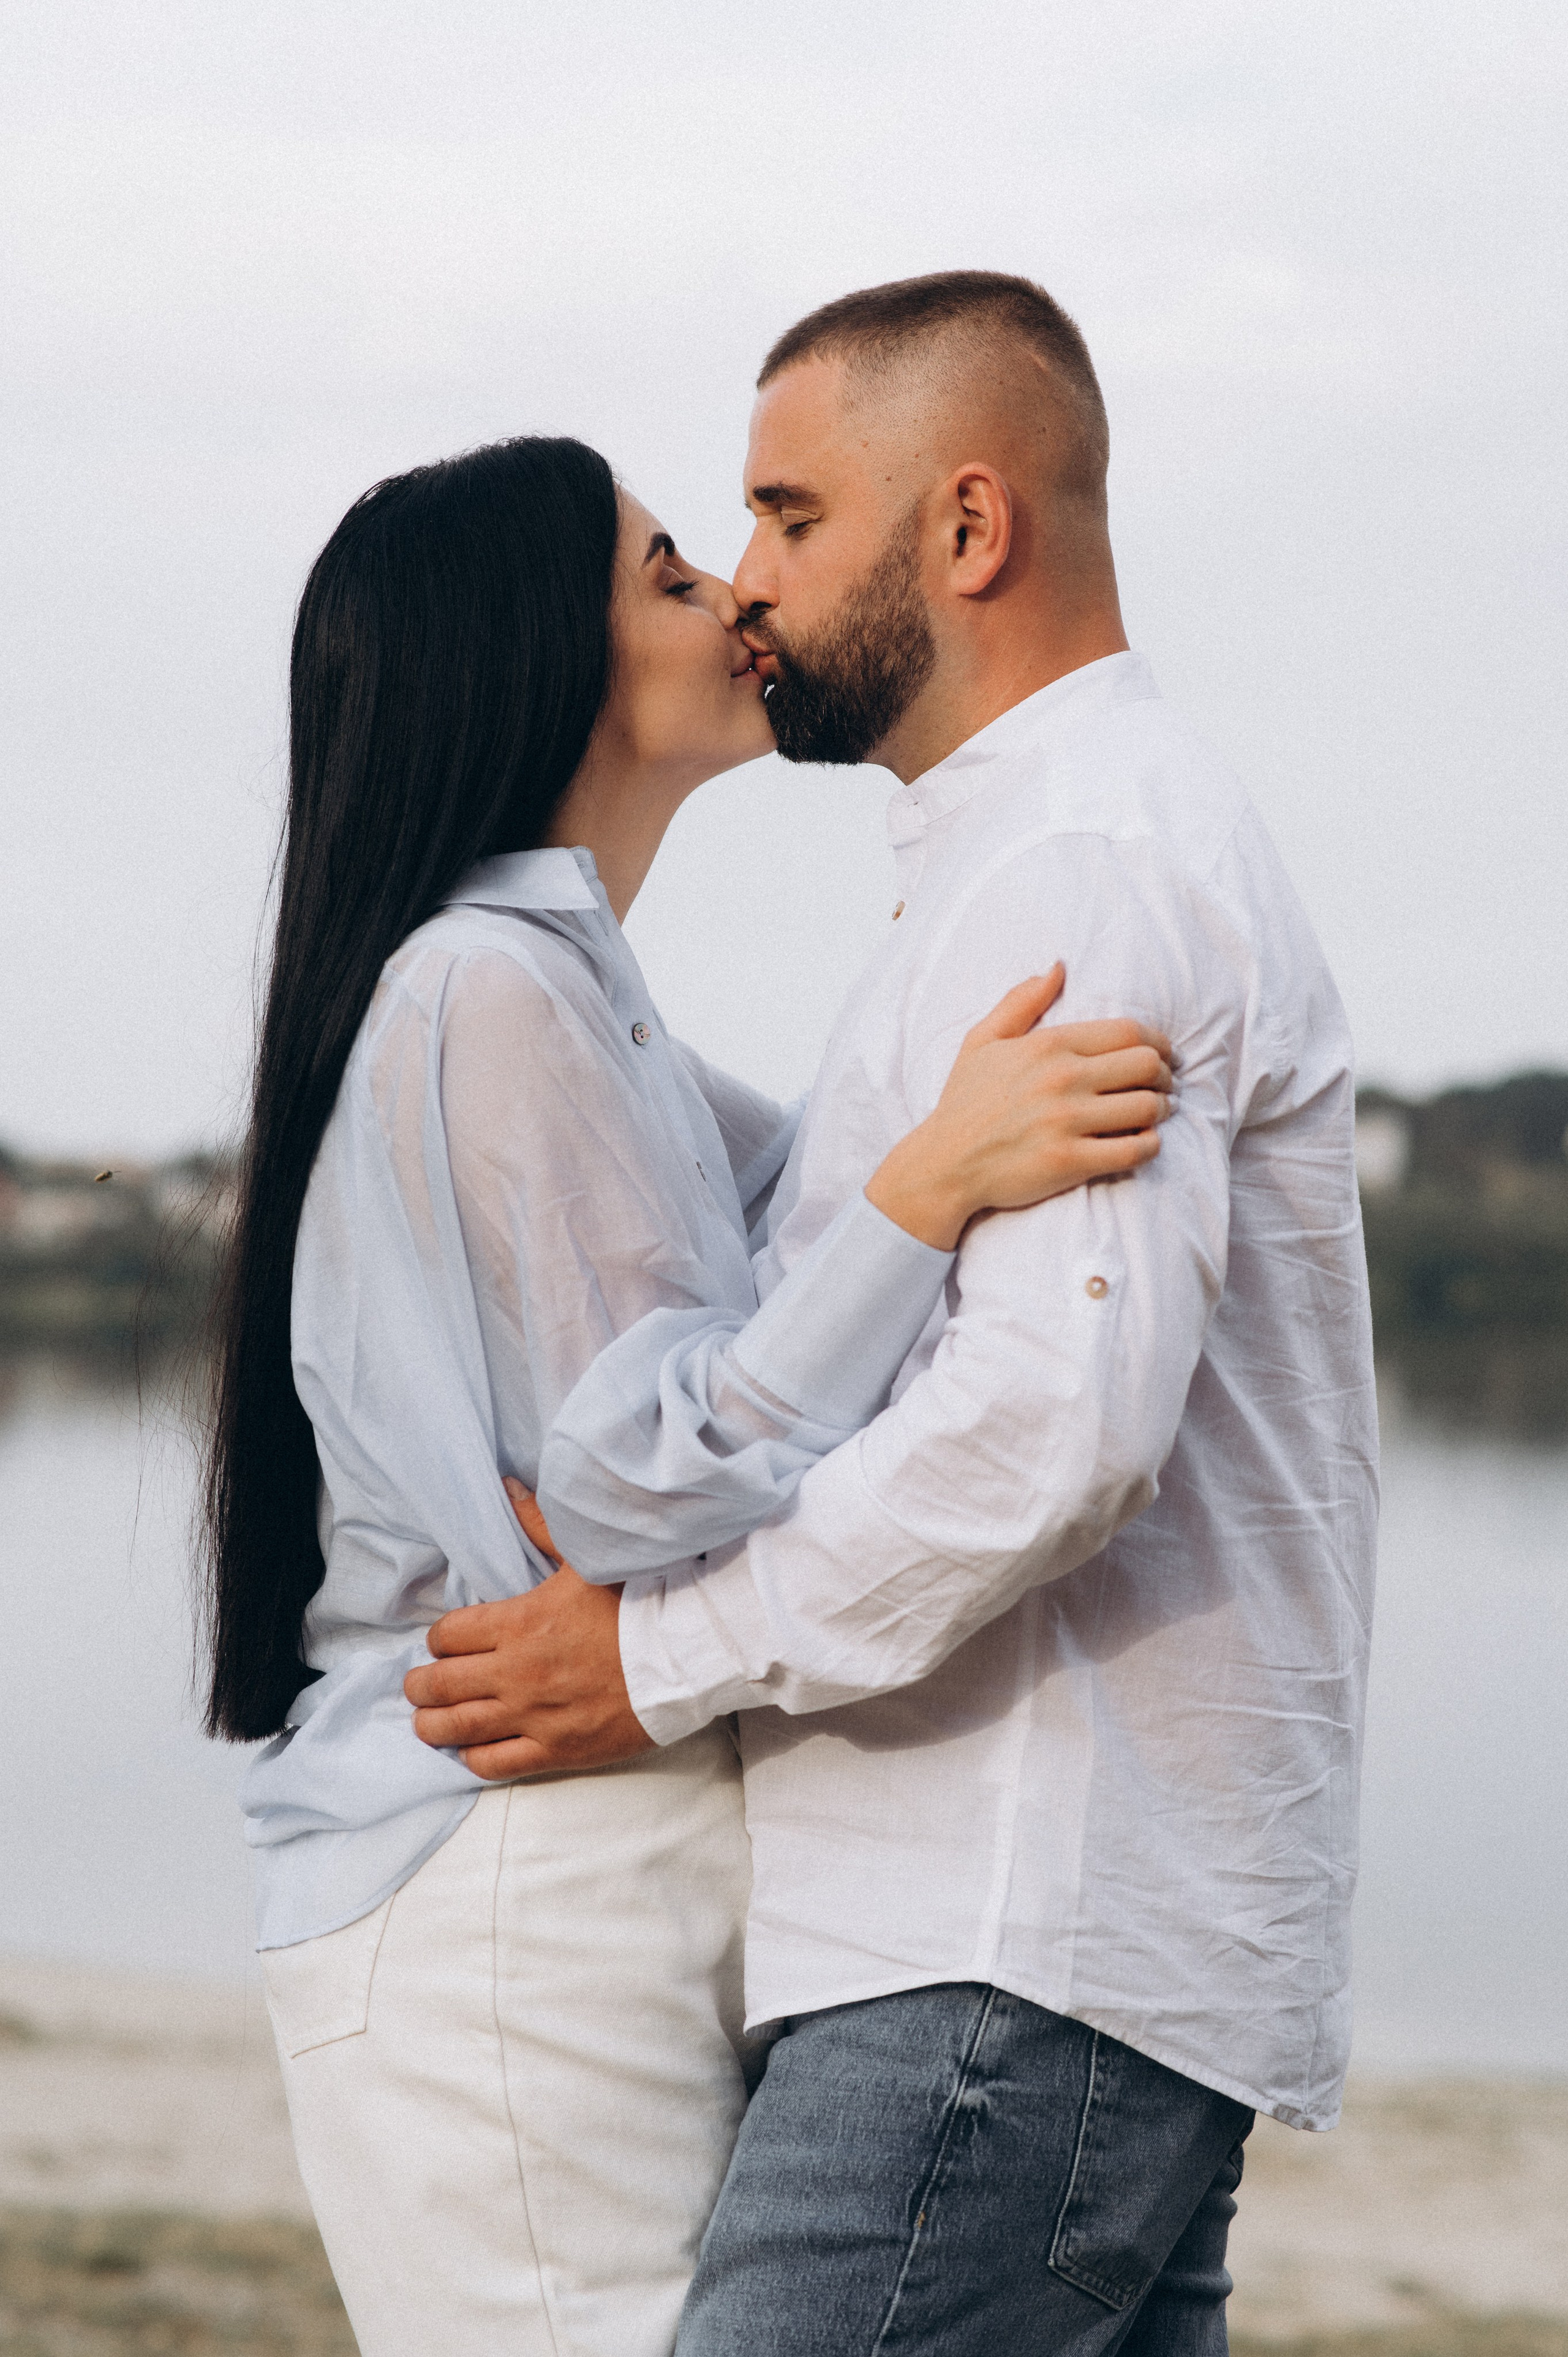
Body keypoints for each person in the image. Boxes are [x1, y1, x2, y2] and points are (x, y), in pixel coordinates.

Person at [405, 273, 1380, 2357]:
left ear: (966, 530)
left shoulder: (1083, 868)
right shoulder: (1005, 865)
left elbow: (1052, 1433)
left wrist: (648, 1662)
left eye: (785, 517)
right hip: (1031, 1946)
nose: (744, 587)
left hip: (1013, 1938)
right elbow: (752, 1212)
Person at [201, 431, 1177, 2357]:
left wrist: (959, 992)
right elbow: (641, 1478)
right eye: (666, 573)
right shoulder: (483, 990)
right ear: (530, 664)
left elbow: (800, 1221)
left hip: (575, 1859)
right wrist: (931, 1188)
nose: (737, 593)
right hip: (500, 1880)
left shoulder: (574, 998)